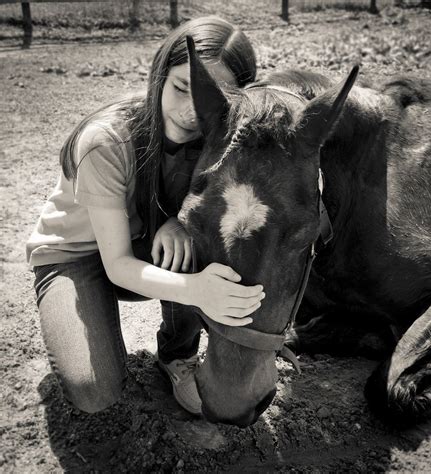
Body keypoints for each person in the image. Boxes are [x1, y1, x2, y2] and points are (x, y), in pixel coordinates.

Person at [26, 16, 264, 416]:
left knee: (199, 242)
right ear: (159, 74)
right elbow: (117, 264)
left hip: (144, 243)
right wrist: (196, 291)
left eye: (208, 97)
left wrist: (182, 221)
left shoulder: (220, 137)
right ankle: (78, 314)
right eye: (180, 87)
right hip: (76, 257)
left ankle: (176, 353)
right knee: (95, 392)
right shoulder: (106, 139)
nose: (191, 110)